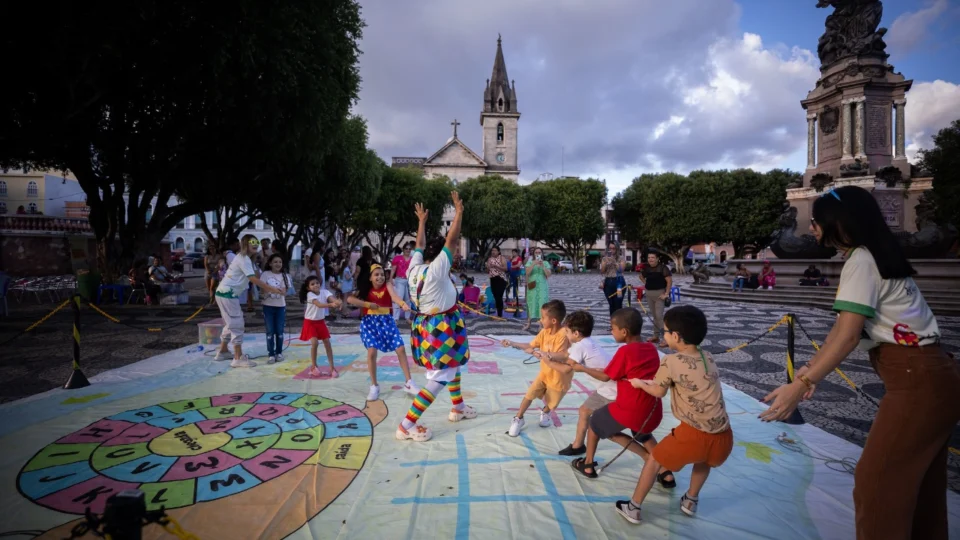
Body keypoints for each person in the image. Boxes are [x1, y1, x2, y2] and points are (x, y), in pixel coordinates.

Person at [760, 186, 959, 540]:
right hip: (932, 374)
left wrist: (799, 387)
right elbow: (842, 329)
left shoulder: (861, 260)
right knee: (922, 487)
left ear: (841, 222)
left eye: (818, 222)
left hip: (917, 378)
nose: (812, 229)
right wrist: (809, 372)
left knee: (877, 483)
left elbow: (849, 336)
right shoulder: (873, 254)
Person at [622, 305, 731, 523]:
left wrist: (639, 384)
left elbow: (658, 391)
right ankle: (691, 500)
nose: (663, 335)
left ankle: (633, 507)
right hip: (724, 436)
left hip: (693, 434)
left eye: (665, 331)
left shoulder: (671, 361)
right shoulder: (707, 355)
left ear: (676, 336)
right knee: (704, 462)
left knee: (654, 459)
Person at [401, 194, 477, 442]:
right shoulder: (437, 269)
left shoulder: (414, 267)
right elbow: (452, 239)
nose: (453, 256)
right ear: (442, 256)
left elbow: (419, 244)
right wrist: (459, 213)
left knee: (451, 367)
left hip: (426, 324)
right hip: (440, 327)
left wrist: (421, 222)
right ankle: (407, 425)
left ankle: (458, 407)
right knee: (438, 378)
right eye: (450, 254)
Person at [565, 308, 666, 481]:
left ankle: (588, 464)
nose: (611, 331)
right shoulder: (650, 348)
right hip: (652, 409)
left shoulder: (625, 352)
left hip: (630, 408)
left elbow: (606, 377)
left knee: (596, 422)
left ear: (624, 332)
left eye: (613, 328)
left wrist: (583, 368)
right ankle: (664, 470)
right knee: (642, 433)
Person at [540, 311, 617, 456]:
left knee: (606, 429)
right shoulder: (586, 342)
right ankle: (578, 445)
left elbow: (566, 369)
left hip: (611, 392)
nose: (566, 335)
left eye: (567, 332)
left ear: (576, 333)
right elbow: (566, 356)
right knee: (584, 411)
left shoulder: (579, 347)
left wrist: (547, 361)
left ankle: (581, 446)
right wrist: (547, 354)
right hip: (607, 389)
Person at [346, 264, 420, 400]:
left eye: (381, 274)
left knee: (401, 348)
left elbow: (395, 297)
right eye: (376, 275)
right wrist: (368, 305)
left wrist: (402, 304)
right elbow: (350, 299)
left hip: (387, 321)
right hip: (370, 323)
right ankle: (374, 386)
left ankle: (409, 382)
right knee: (372, 351)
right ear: (370, 278)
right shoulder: (365, 289)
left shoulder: (388, 285)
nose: (380, 277)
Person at [214, 235, 285, 368]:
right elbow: (253, 279)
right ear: (245, 244)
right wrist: (272, 289)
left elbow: (257, 275)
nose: (255, 244)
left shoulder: (247, 260)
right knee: (237, 323)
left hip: (226, 293)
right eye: (252, 242)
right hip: (227, 294)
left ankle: (223, 351)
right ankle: (237, 357)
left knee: (230, 323)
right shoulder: (243, 258)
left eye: (256, 242)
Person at [501, 300, 570, 436]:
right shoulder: (544, 332)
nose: (540, 320)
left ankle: (545, 412)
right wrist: (511, 343)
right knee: (530, 394)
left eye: (543, 317)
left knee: (552, 402)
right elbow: (530, 345)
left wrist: (539, 353)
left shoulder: (564, 335)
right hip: (544, 373)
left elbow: (562, 355)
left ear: (554, 320)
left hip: (559, 377)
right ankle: (518, 418)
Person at [298, 275, 342, 377]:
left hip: (320, 322)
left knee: (327, 342)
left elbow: (332, 298)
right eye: (312, 284)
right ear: (308, 288)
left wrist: (338, 302)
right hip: (310, 322)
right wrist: (331, 305)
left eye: (317, 283)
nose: (316, 285)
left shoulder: (325, 292)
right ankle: (314, 366)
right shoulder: (310, 294)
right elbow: (319, 304)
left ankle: (332, 368)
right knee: (315, 343)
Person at [260, 254, 293, 364]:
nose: (278, 264)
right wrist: (271, 290)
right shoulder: (265, 274)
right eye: (275, 262)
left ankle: (279, 352)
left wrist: (277, 290)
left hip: (280, 306)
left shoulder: (285, 276)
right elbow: (262, 289)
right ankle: (271, 354)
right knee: (270, 331)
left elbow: (284, 292)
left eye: (280, 262)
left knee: (279, 331)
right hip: (268, 306)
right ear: (270, 263)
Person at [638, 252, 672, 347]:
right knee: (654, 316)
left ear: (657, 259)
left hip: (659, 295)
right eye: (649, 257)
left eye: (653, 257)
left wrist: (666, 293)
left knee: (659, 316)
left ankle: (667, 338)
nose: (650, 259)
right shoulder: (647, 268)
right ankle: (655, 336)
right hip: (649, 294)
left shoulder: (662, 268)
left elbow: (669, 281)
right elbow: (641, 276)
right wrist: (646, 283)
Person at [523, 247, 551, 331]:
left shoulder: (545, 263)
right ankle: (529, 323)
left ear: (542, 254)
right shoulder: (530, 262)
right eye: (536, 252)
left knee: (542, 304)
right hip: (532, 286)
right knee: (531, 303)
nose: (538, 254)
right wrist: (533, 264)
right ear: (534, 254)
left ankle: (541, 325)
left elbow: (548, 275)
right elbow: (527, 273)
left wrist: (543, 266)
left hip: (542, 287)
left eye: (539, 252)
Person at [600, 243, 626, 315]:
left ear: (617, 249)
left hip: (619, 283)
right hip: (608, 283)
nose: (611, 250)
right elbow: (602, 272)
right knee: (611, 304)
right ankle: (613, 322)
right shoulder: (604, 258)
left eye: (613, 248)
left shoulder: (621, 258)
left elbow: (621, 270)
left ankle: (619, 322)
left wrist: (614, 261)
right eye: (610, 248)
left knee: (618, 303)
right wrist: (605, 263)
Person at [391, 243, 414, 322]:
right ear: (403, 249)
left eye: (409, 249)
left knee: (408, 300)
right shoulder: (398, 258)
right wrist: (390, 278)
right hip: (399, 280)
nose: (408, 250)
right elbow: (393, 269)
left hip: (409, 280)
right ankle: (395, 318)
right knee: (398, 298)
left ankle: (407, 317)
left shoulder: (412, 259)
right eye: (406, 248)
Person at [486, 247, 508, 318]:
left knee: (499, 296)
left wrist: (496, 266)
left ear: (498, 251)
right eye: (492, 250)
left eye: (495, 250)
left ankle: (500, 314)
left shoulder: (502, 258)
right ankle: (498, 312)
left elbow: (505, 268)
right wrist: (488, 267)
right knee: (495, 296)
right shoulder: (489, 259)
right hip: (493, 279)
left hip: (500, 279)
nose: (493, 252)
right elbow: (488, 270)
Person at [508, 249, 523, 315]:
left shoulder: (519, 258)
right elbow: (508, 264)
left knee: (515, 286)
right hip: (511, 273)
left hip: (516, 273)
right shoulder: (512, 259)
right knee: (508, 285)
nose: (513, 253)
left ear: (517, 253)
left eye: (514, 252)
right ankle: (508, 297)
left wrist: (512, 266)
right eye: (512, 252)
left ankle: (515, 298)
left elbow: (518, 265)